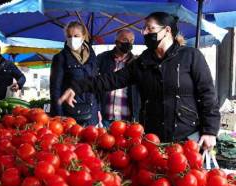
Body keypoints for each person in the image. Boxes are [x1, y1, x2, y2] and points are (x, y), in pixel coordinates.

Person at [58, 12, 219, 149]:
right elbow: (112, 79)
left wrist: (210, 130)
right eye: (144, 28)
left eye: (151, 28)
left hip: (188, 137)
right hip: (153, 139)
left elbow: (207, 94)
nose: (144, 32)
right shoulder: (143, 62)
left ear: (167, 31)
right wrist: (77, 87)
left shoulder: (191, 56)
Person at [50, 21, 99, 126]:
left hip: (91, 114)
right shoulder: (60, 57)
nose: (72, 39)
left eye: (76, 36)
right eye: (69, 36)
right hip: (70, 114)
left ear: (83, 37)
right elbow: (55, 89)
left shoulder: (93, 57)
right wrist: (58, 116)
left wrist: (98, 110)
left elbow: (96, 84)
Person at [96, 29, 140, 127]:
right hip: (104, 117)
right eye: (125, 40)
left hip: (127, 118)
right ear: (116, 41)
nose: (129, 43)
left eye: (131, 41)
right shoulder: (102, 58)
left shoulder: (136, 63)